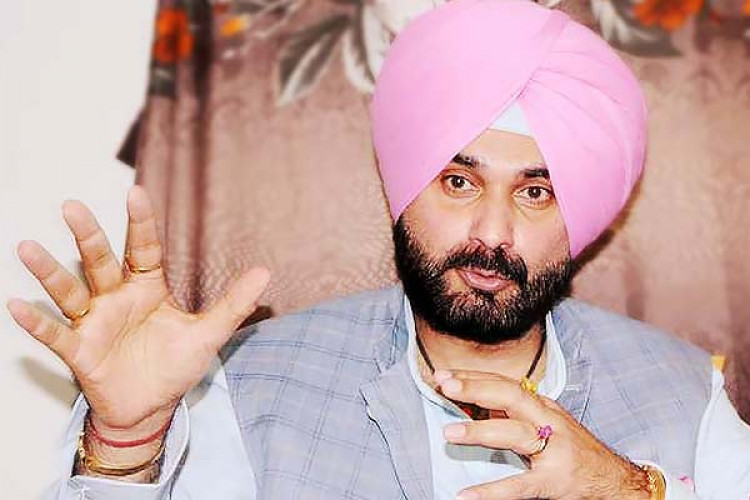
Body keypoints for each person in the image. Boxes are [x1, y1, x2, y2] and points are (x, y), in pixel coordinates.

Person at [9, 1, 750, 499]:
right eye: (458, 181)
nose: (493, 234)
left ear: (581, 217)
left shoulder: (685, 393)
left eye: (535, 192)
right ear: (404, 189)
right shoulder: (249, 387)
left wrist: (632, 491)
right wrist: (126, 445)